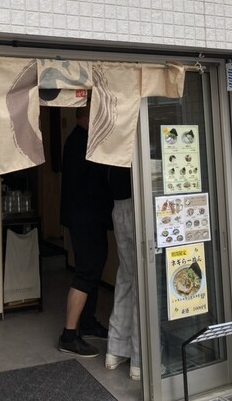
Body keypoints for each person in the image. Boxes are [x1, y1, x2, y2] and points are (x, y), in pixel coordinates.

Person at [58, 104, 113, 358]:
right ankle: (69, 336)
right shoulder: (81, 142)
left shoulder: (79, 140)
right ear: (87, 117)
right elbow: (94, 184)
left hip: (87, 217)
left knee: (94, 268)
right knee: (86, 271)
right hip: (85, 218)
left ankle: (88, 323)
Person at [104, 166, 141, 380]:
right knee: (142, 283)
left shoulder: (111, 150)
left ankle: (115, 350)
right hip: (137, 206)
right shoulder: (132, 150)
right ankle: (140, 360)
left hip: (118, 208)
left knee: (126, 278)